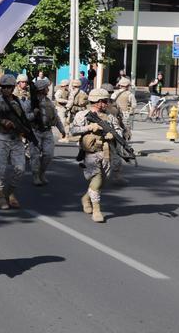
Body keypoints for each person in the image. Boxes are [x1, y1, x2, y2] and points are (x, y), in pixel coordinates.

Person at [0, 74, 30, 209]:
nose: (6, 90)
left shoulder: (19, 102)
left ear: (14, 87)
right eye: (4, 87)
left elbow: (26, 118)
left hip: (16, 140)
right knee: (1, 170)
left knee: (20, 169)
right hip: (1, 139)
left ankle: (10, 192)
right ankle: (1, 195)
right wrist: (1, 121)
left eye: (9, 87)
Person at [70, 88, 117, 223]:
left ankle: (85, 198)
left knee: (104, 181)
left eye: (106, 101)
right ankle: (96, 210)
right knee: (96, 180)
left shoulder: (110, 116)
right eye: (104, 101)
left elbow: (117, 130)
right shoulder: (83, 115)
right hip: (91, 153)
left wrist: (112, 134)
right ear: (97, 101)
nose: (106, 104)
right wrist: (89, 128)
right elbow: (73, 131)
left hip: (107, 152)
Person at [23, 77, 67, 186]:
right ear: (41, 89)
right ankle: (36, 175)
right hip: (35, 131)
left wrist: (62, 129)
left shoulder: (49, 102)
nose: (48, 89)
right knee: (35, 155)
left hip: (47, 131)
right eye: (46, 87)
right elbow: (24, 118)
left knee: (49, 154)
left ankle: (42, 172)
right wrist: (34, 114)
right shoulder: (30, 103)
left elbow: (55, 117)